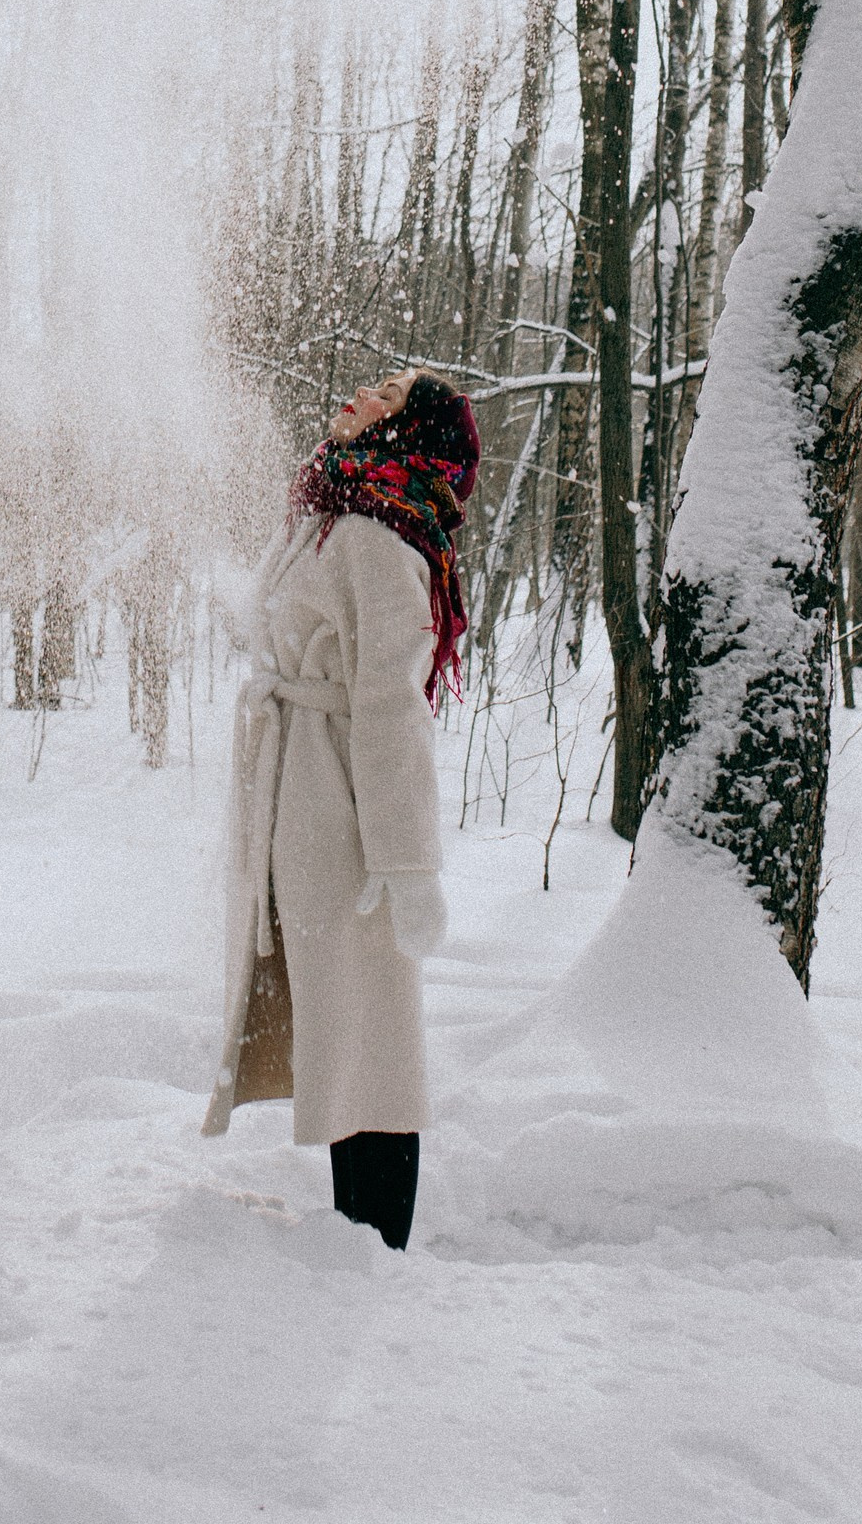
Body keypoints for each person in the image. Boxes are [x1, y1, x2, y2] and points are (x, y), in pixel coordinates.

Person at [202, 367, 480, 1251]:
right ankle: (353, 1238)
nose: (365, 393)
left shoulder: (382, 538)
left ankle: (378, 1246)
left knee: (374, 1038)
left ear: (406, 432)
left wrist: (408, 866)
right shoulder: (328, 510)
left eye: (391, 395)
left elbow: (395, 712)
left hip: (342, 815)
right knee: (347, 1027)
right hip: (298, 799)